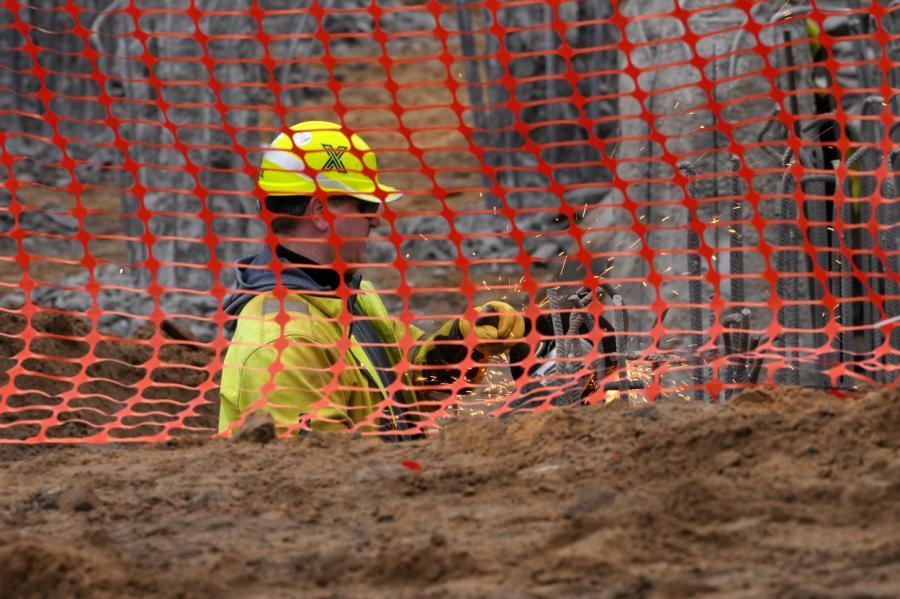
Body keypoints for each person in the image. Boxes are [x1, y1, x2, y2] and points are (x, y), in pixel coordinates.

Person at [218, 121, 526, 439]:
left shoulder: (347, 295)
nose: (375, 219)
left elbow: (406, 378)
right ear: (321, 212)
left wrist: (461, 344)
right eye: (365, 205)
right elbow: (324, 475)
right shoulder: (285, 346)